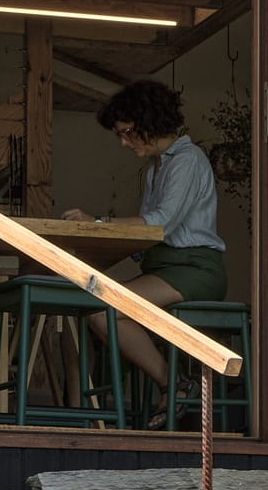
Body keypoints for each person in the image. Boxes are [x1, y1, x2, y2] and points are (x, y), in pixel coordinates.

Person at [61, 79, 226, 393]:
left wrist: (98, 223)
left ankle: (173, 385)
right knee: (84, 309)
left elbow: (159, 224)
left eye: (126, 132)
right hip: (163, 268)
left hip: (194, 269)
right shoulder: (157, 168)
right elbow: (147, 234)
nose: (124, 142)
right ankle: (84, 406)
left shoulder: (187, 160)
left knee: (103, 312)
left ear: (148, 123)